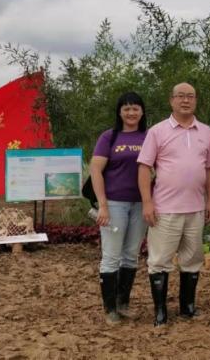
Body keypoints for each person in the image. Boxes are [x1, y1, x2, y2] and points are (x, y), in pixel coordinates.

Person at [138, 82, 210, 326]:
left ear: (196, 101)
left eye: (190, 96)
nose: (186, 100)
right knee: (160, 261)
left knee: (192, 259)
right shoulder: (158, 131)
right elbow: (144, 167)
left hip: (195, 208)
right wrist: (147, 202)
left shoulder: (206, 132)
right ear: (171, 100)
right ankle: (160, 311)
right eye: (181, 96)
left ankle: (187, 306)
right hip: (165, 209)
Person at [90, 92, 149, 324]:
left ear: (142, 111)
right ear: (119, 112)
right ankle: (110, 308)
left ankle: (123, 303)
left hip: (141, 204)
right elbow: (96, 170)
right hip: (114, 204)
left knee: (131, 255)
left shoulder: (149, 136)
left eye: (135, 108)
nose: (131, 112)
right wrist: (102, 204)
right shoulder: (110, 137)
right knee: (111, 256)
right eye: (126, 108)